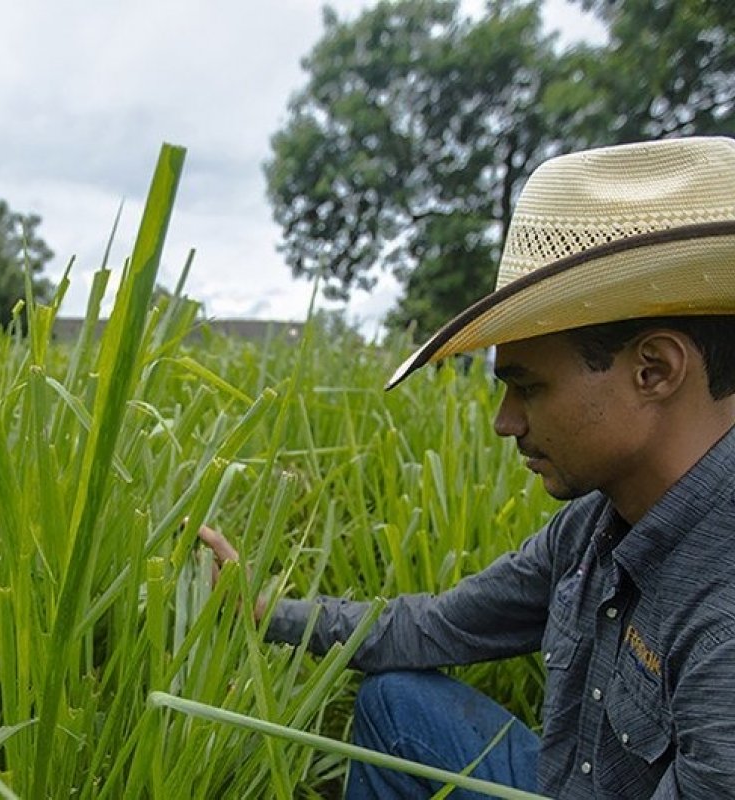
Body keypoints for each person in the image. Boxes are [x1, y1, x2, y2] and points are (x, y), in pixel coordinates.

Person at [198, 136, 735, 799]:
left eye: (529, 387)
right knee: (398, 702)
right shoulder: (597, 526)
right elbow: (435, 625)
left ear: (653, 370)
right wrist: (261, 610)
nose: (504, 422)